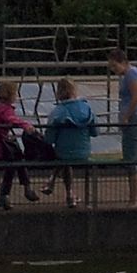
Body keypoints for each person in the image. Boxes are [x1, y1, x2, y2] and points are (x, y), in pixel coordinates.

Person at [0, 81, 38, 209]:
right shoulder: (4, 109)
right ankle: (21, 189)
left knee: (14, 155)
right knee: (16, 159)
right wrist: (26, 126)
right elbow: (11, 119)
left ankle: (8, 195)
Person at [107, 48, 137, 206]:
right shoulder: (135, 71)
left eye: (114, 66)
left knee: (131, 160)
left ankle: (133, 200)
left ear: (123, 62)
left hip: (135, 118)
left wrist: (125, 116)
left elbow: (136, 97)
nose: (113, 70)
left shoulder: (131, 74)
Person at [45, 77, 97, 207]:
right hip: (83, 152)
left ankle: (61, 187)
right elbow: (95, 132)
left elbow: (49, 139)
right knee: (66, 159)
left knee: (63, 158)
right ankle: (66, 192)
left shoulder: (57, 112)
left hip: (63, 152)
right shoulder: (87, 108)